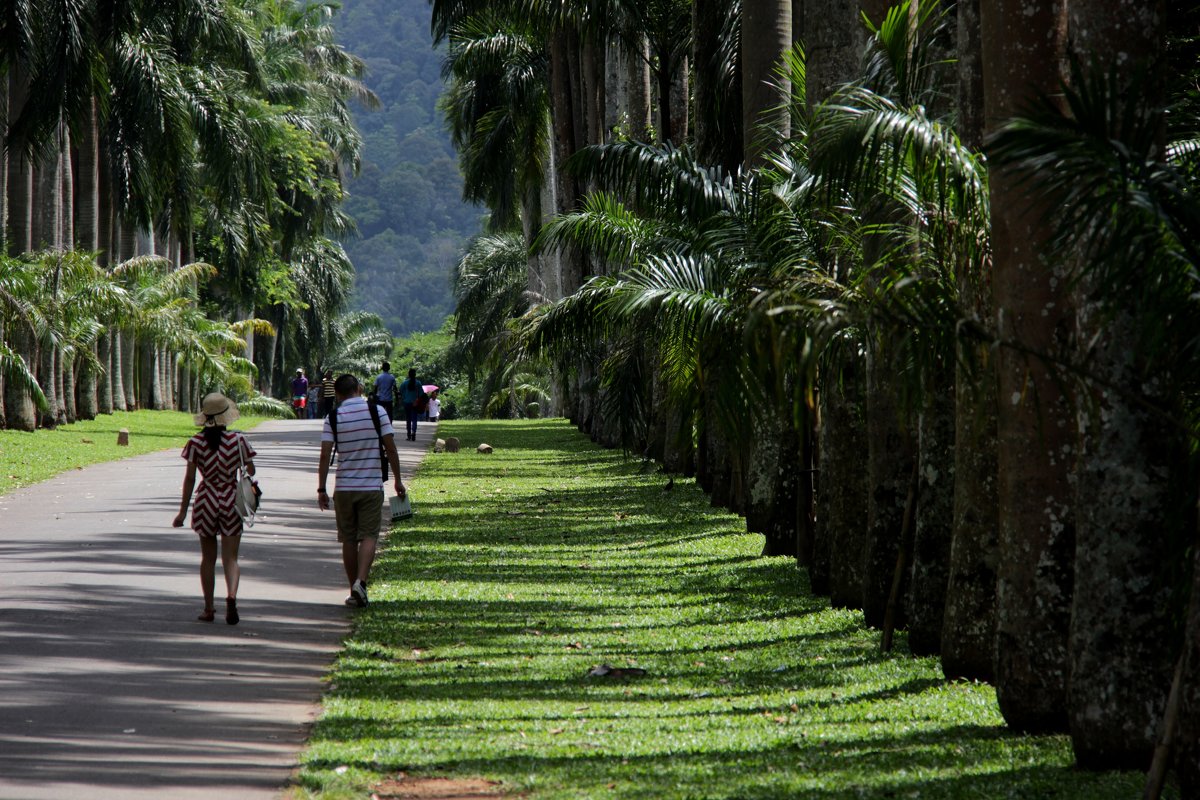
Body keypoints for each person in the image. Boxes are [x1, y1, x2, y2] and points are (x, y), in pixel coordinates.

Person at [317, 374, 406, 607]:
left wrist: (321, 488)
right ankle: (362, 582)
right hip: (371, 486)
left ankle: (352, 589)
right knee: (368, 535)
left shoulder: (333, 417)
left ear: (337, 394)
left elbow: (325, 454)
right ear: (359, 388)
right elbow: (391, 448)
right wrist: (397, 480)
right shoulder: (378, 412)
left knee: (348, 538)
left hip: (344, 488)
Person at [172, 393, 256, 625]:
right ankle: (231, 596)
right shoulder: (238, 441)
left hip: (206, 499)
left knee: (207, 559)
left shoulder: (195, 443)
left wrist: (182, 512)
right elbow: (251, 469)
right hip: (231, 500)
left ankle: (209, 608)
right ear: (226, 417)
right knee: (231, 558)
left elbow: (189, 479)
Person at [398, 368, 426, 441]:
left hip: (407, 403)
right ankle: (414, 433)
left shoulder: (405, 383)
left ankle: (408, 435)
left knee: (408, 419)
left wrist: (404, 397)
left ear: (409, 375)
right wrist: (417, 399)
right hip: (415, 404)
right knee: (414, 419)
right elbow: (421, 394)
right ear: (415, 375)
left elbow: (400, 391)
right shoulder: (418, 383)